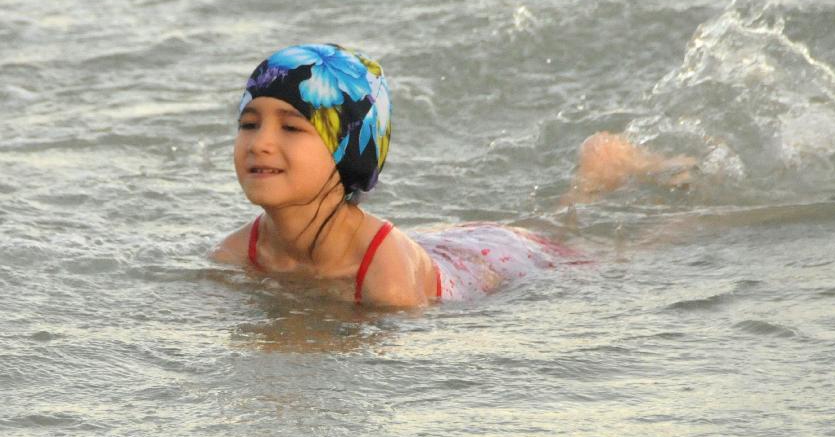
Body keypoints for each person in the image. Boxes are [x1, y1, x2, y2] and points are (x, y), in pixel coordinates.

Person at [211, 43, 694, 307]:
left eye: (292, 127)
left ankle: (608, 170)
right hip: (445, 243)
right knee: (562, 218)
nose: (261, 142)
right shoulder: (238, 253)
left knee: (620, 251)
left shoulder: (386, 278)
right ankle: (595, 175)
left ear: (348, 153)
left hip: (497, 261)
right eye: (248, 123)